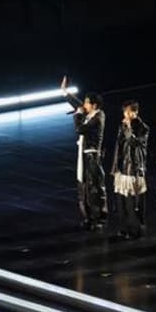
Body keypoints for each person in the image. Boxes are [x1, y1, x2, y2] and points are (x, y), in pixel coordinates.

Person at [61, 76, 108, 230]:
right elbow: (77, 104)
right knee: (83, 187)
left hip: (92, 155)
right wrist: (65, 92)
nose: (84, 104)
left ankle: (100, 218)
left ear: (93, 105)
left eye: (87, 102)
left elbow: (80, 129)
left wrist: (77, 115)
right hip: (84, 154)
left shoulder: (98, 116)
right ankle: (88, 217)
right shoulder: (89, 113)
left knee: (94, 187)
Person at [110, 100, 149, 240]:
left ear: (135, 112)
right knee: (121, 202)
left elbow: (134, 142)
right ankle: (123, 228)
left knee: (131, 203)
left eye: (129, 111)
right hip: (122, 168)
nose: (126, 114)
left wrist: (128, 127)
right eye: (124, 111)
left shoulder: (143, 128)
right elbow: (118, 146)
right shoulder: (122, 126)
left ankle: (135, 229)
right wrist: (115, 167)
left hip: (133, 168)